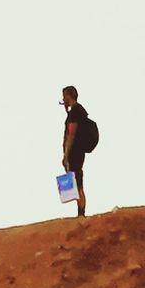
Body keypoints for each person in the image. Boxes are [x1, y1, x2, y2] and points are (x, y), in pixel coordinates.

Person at [61, 85, 90, 218]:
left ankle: (81, 214)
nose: (63, 99)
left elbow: (71, 133)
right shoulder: (78, 111)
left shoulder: (75, 112)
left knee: (77, 181)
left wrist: (66, 155)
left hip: (75, 152)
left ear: (68, 95)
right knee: (76, 180)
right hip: (78, 151)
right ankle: (80, 212)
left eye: (64, 96)